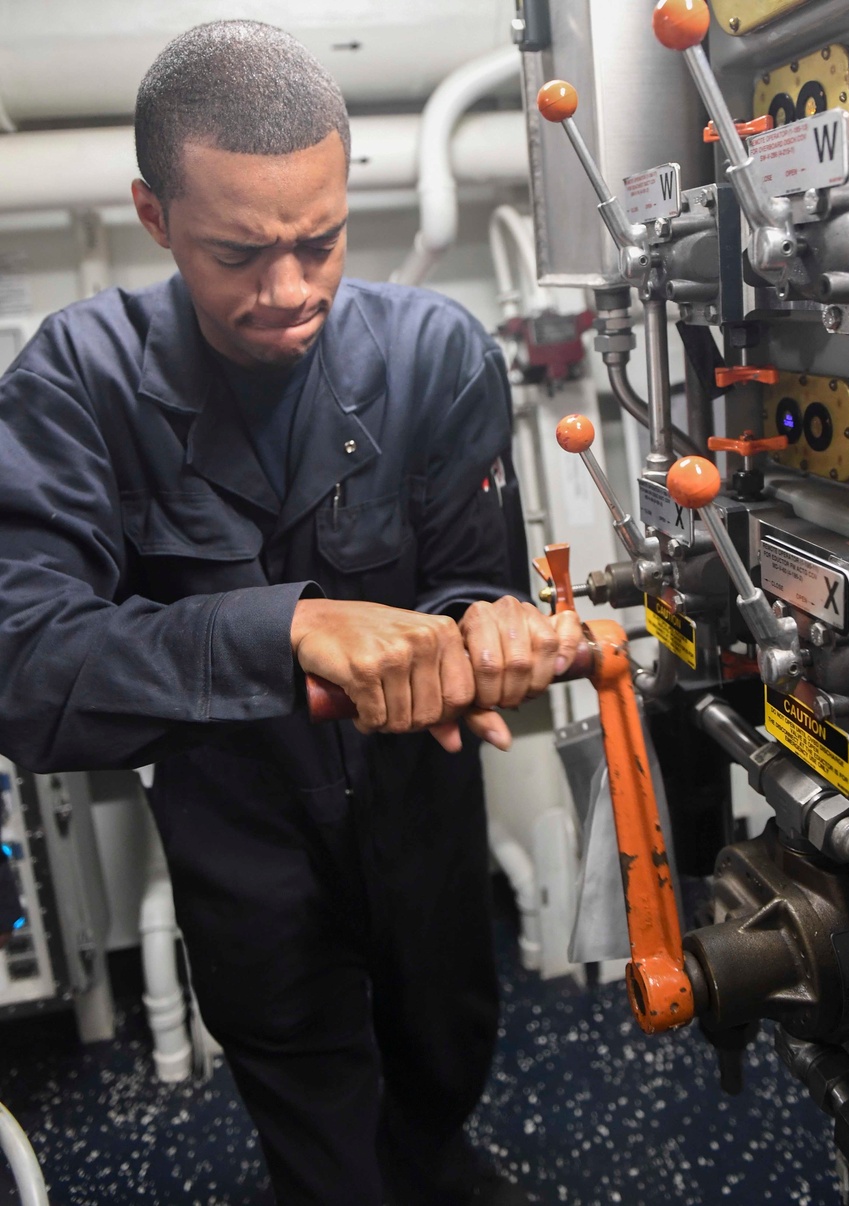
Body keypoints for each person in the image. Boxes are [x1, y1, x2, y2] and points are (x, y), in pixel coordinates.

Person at [0, 21, 583, 1206]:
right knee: (316, 1126)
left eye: (319, 243)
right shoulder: (75, 380)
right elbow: (26, 668)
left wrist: (495, 628)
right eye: (239, 255)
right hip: (242, 834)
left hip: (421, 817)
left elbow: (474, 583)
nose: (290, 291)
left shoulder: (435, 355)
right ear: (156, 218)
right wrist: (285, 629)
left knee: (442, 1060)